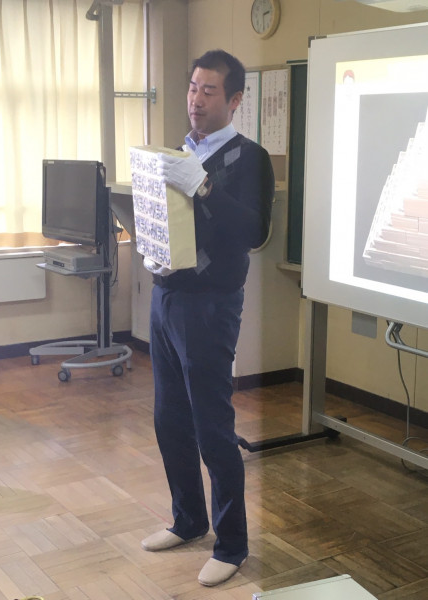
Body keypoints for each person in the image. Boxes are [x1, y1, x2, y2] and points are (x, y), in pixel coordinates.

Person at [141, 49, 275, 587]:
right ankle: (188, 519)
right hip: (166, 297)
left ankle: (232, 543)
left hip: (211, 304)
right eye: (193, 88)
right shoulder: (178, 151)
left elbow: (254, 232)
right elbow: (166, 218)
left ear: (235, 99)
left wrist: (204, 186)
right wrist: (151, 245)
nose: (196, 100)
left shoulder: (249, 158)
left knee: (212, 427)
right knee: (168, 419)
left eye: (209, 91)